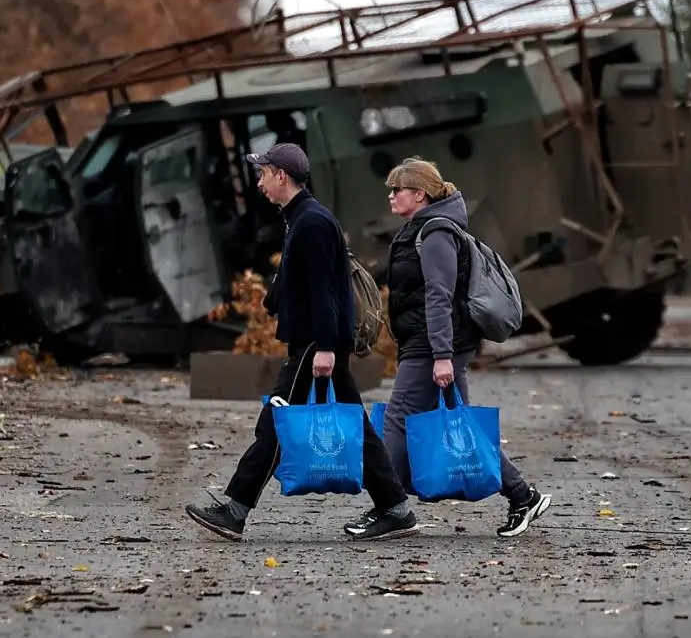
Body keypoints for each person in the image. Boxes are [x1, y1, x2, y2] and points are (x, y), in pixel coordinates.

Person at [185, 142, 420, 543]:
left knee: (276, 422)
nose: (259, 183)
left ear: (281, 176)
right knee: (355, 428)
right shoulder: (302, 218)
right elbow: (305, 279)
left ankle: (235, 510)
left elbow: (325, 290)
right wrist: (276, 297)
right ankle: (395, 509)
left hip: (315, 344)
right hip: (317, 341)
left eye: (263, 174)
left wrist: (327, 347)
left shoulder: (310, 222)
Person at [345, 157, 552, 538]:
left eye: (398, 190)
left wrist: (442, 356)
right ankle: (523, 496)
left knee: (397, 418)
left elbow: (439, 297)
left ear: (419, 194)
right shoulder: (419, 228)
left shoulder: (436, 233)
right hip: (430, 343)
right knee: (463, 423)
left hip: (435, 345)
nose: (391, 197)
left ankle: (390, 508)